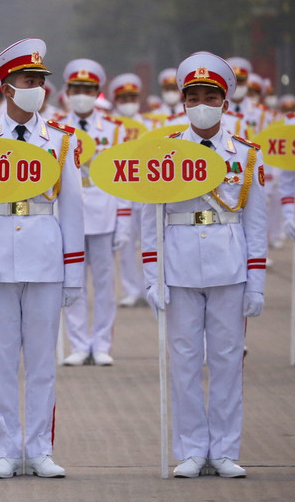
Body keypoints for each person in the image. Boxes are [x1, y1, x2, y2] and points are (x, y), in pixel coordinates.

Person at [0, 38, 84, 478]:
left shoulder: (61, 142)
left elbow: (72, 210)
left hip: (46, 260)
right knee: (1, 361)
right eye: (29, 81)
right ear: (8, 88)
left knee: (43, 361)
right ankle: (6, 450)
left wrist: (73, 274)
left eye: (41, 81)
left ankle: (40, 449)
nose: (38, 88)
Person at [141, 51, 265, 478]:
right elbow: (150, 218)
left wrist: (258, 282)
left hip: (230, 266)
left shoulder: (246, 154)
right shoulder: (165, 153)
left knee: (229, 360)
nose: (201, 103)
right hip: (178, 265)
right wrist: (151, 276)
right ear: (182, 103)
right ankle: (192, 449)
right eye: (192, 96)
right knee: (185, 360)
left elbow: (256, 221)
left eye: (209, 95)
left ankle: (226, 449)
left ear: (225, 102)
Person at [60, 59, 130, 366]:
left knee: (104, 284)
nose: (81, 95)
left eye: (87, 90)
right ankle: (77, 344)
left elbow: (123, 176)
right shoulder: (55, 127)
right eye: (76, 89)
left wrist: (124, 220)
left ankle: (101, 344)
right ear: (67, 92)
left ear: (97, 92)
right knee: (71, 281)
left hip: (104, 214)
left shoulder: (115, 130)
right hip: (67, 215)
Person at [109, 73, 149, 308]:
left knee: (150, 243)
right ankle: (131, 289)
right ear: (115, 99)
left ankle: (151, 287)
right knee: (124, 243)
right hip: (120, 191)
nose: (128, 101)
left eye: (132, 97)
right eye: (123, 98)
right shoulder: (111, 126)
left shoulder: (150, 124)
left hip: (145, 190)